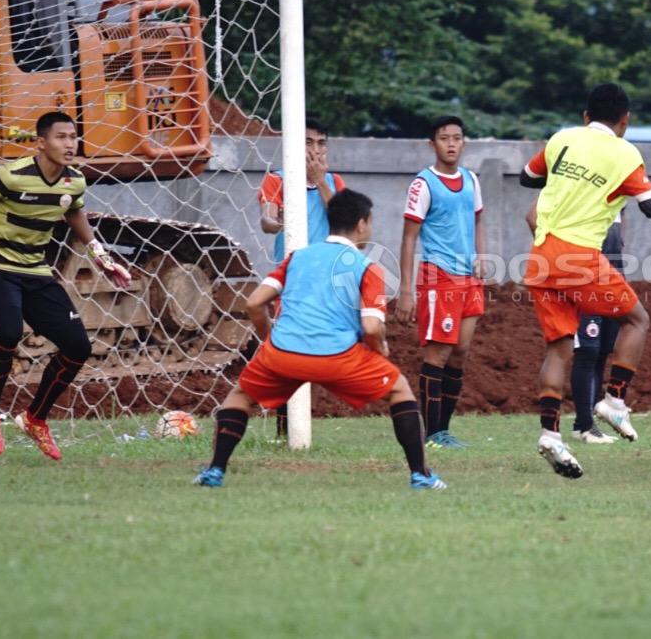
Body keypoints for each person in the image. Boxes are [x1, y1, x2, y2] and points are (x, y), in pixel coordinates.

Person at [195, 189, 446, 490]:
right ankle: (420, 475)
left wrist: (268, 342)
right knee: (399, 391)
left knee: (240, 397)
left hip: (283, 353)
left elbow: (253, 304)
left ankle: (215, 471)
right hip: (338, 358)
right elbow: (370, 326)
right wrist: (380, 349)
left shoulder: (297, 257)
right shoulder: (367, 267)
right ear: (363, 224)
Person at [520, 83, 651, 479]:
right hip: (580, 257)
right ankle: (615, 401)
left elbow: (527, 177)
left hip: (540, 257)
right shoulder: (624, 153)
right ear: (625, 121)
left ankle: (550, 434)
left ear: (586, 117)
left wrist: (567, 178)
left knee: (559, 349)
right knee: (637, 319)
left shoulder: (562, 139)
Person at [0, 111, 132, 460]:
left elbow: (73, 210)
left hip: (37, 271)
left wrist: (101, 257)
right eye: (61, 137)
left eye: (73, 137)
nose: (69, 144)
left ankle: (35, 419)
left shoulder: (74, 180)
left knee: (78, 347)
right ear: (41, 143)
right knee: (9, 332)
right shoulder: (11, 175)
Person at [395, 116, 484, 449]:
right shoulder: (423, 183)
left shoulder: (472, 180)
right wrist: (406, 290)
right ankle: (431, 433)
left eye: (457, 138)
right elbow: (408, 238)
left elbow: (478, 220)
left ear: (463, 143)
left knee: (461, 352)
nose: (451, 143)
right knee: (438, 354)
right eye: (444, 138)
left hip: (469, 278)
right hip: (438, 277)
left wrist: (483, 256)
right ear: (431, 145)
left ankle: (444, 431)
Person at [256, 117, 345, 435]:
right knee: (289, 354)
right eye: (308, 142)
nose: (315, 150)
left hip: (329, 283)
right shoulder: (277, 180)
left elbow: (344, 221)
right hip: (292, 282)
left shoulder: (334, 182)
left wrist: (320, 181)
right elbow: (267, 221)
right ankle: (284, 429)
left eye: (321, 143)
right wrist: (275, 219)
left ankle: (303, 423)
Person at [525, 201, 624, 444]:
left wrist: (619, 249)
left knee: (601, 350)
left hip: (610, 272)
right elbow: (532, 216)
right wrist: (561, 255)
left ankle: (587, 424)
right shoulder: (571, 182)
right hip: (581, 274)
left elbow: (618, 223)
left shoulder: (616, 177)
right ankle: (584, 425)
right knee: (587, 349)